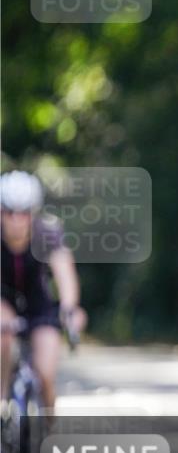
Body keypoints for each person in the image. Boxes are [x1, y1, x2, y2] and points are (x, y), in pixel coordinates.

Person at [1, 170, 87, 421]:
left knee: (46, 374)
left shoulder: (47, 233)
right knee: (3, 334)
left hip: (41, 306)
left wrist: (69, 310)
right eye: (8, 212)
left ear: (33, 212)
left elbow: (65, 275)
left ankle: (50, 432)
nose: (16, 219)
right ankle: (2, 403)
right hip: (3, 300)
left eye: (24, 212)